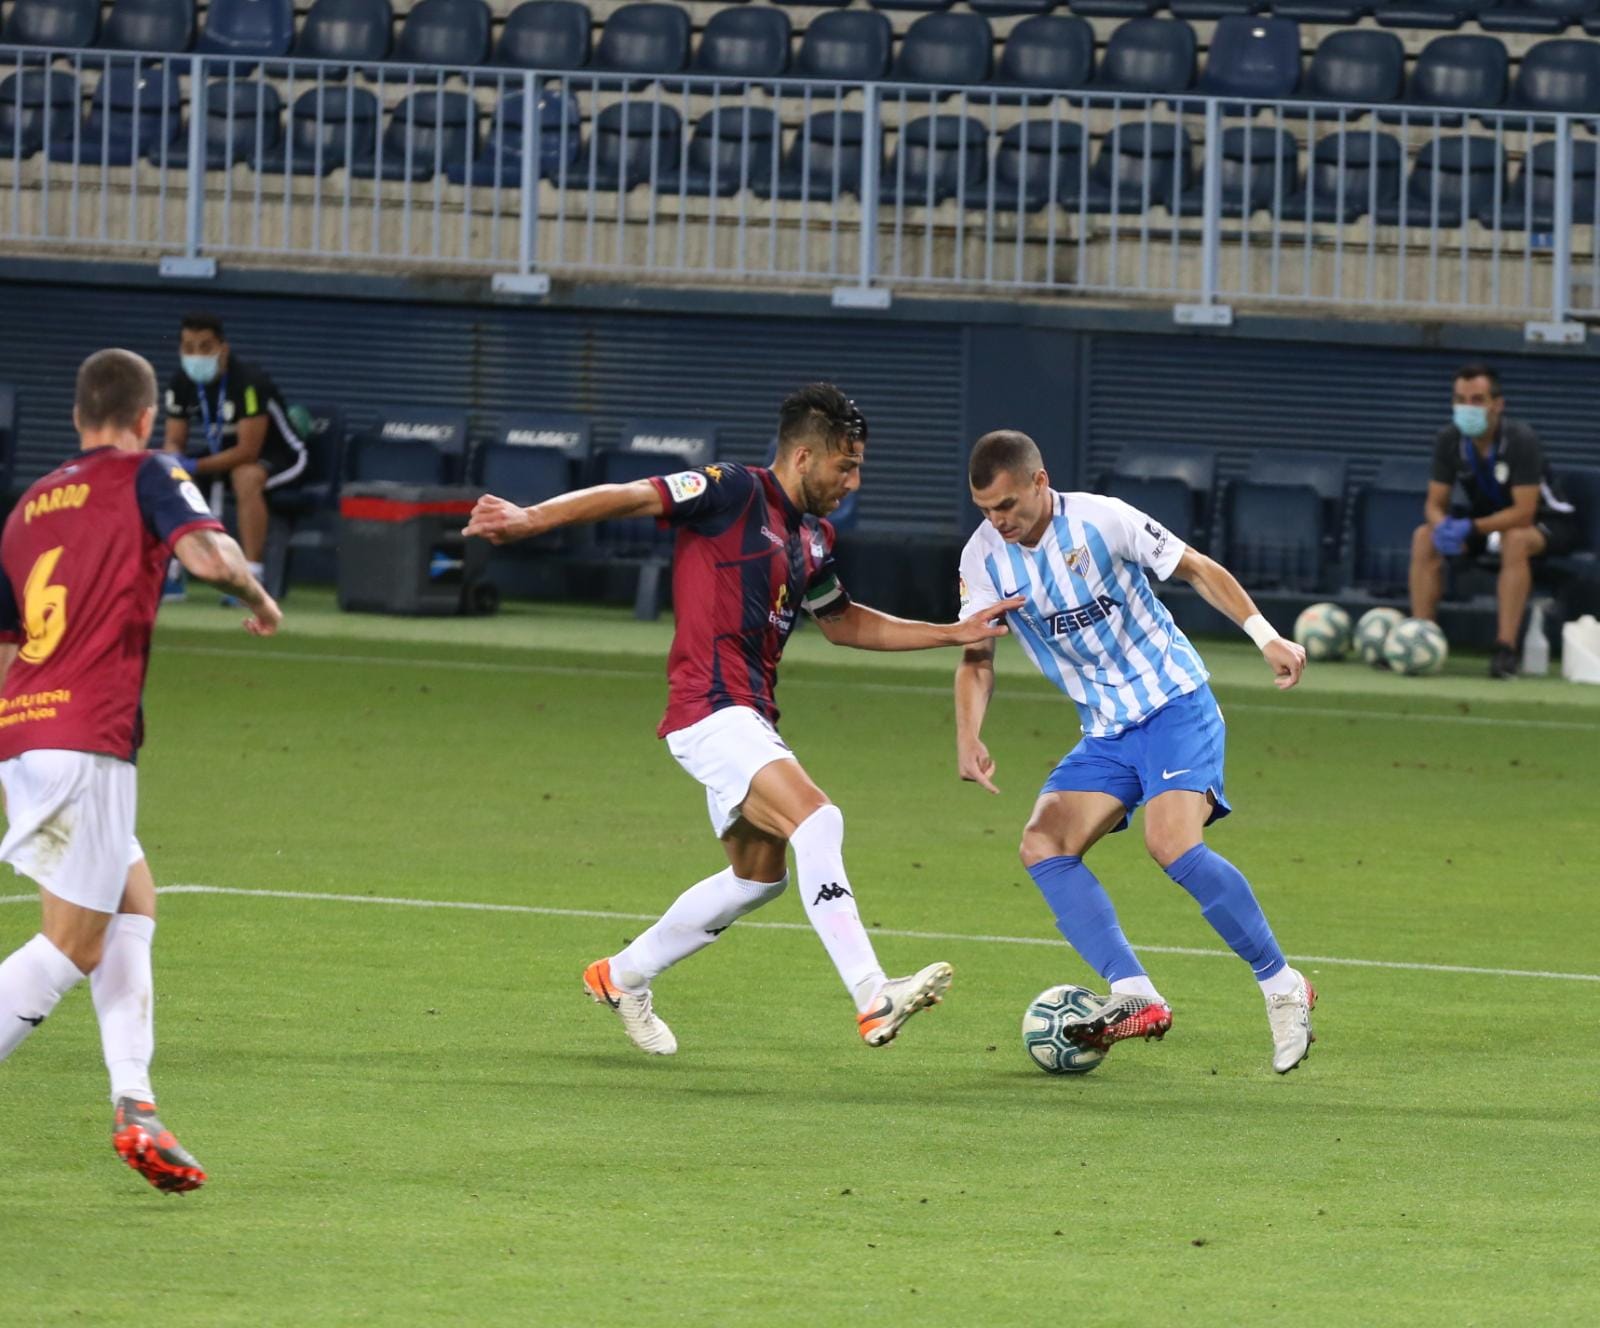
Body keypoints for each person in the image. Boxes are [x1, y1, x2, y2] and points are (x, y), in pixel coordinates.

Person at [465, 384, 1020, 1056]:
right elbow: (633, 494)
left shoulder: (814, 537)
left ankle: (622, 975)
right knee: (818, 818)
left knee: (759, 877)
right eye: (846, 467)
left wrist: (953, 632)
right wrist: (530, 519)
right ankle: (873, 995)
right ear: (805, 456)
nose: (854, 480)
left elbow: (843, 624)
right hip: (708, 707)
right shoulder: (731, 489)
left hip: (749, 715)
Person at [0, 349, 281, 1193]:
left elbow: (7, 640)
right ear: (148, 417)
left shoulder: (23, 510)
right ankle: (134, 1102)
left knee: (133, 900)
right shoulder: (148, 471)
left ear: (78, 415)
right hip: (88, 735)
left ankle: (136, 1102)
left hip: (24, 730)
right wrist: (256, 594)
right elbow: (206, 557)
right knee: (72, 944)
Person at [953, 430, 1317, 1074]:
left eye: (1007, 505)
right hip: (1106, 729)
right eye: (986, 510)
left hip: (1176, 703)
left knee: (1170, 842)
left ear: (1040, 482)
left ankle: (1283, 986)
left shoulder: (1104, 519)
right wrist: (969, 733)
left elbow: (1198, 568)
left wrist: (1267, 637)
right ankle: (1134, 993)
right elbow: (976, 655)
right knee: (1043, 844)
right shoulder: (983, 559)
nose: (998, 521)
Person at [1409, 364, 1580, 680]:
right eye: (1460, 400)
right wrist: (1442, 526)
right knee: (1424, 536)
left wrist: (1470, 528)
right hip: (1489, 522)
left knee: (1516, 538)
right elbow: (1434, 503)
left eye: (1477, 400)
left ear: (1497, 404)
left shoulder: (1521, 439)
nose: (1467, 408)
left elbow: (1525, 512)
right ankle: (1422, 640)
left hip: (1549, 523)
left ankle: (1505, 650)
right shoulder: (1449, 439)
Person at [162, 311, 309, 588]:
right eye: (188, 347)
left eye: (205, 347)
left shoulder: (249, 382)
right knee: (170, 475)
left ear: (223, 348)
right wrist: (174, 462)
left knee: (245, 476)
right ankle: (171, 571)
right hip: (224, 454)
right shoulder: (181, 381)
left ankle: (251, 575)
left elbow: (248, 451)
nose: (196, 355)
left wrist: (195, 466)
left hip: (283, 457)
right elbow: (174, 439)